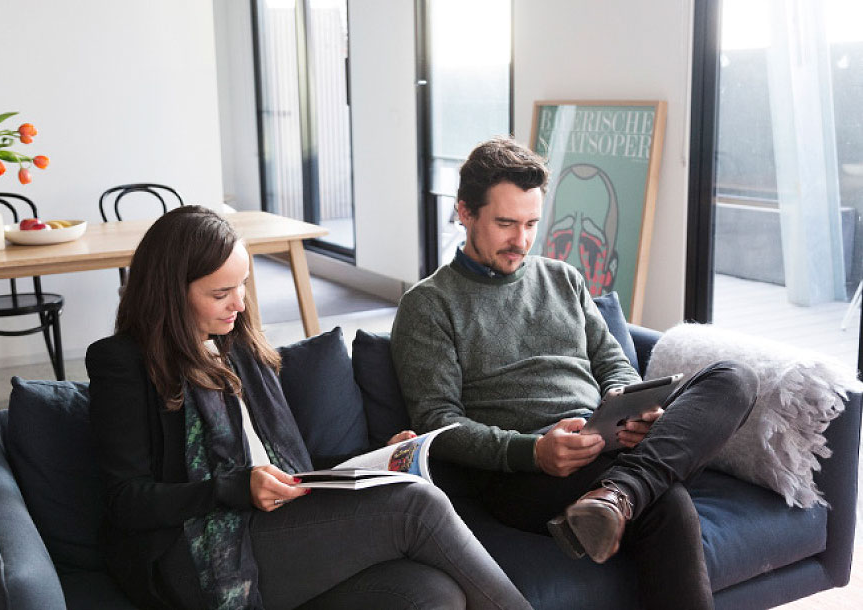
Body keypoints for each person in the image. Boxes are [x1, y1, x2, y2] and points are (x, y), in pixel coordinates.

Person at [87, 205, 532, 610]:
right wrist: (235, 488)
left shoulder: (238, 346)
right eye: (221, 292)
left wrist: (379, 461)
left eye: (243, 284)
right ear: (170, 292)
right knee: (416, 506)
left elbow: (291, 467)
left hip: (283, 527)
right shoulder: (123, 362)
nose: (240, 304)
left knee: (433, 594)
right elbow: (126, 501)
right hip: (198, 551)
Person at [390, 137, 759, 610]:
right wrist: (534, 452)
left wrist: (631, 405)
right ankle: (626, 491)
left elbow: (612, 362)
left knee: (735, 379)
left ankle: (617, 494)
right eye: (505, 223)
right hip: (524, 471)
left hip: (603, 438)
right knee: (668, 504)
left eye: (530, 224)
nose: (521, 241)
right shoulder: (429, 304)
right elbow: (437, 422)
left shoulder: (564, 279)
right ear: (465, 212)